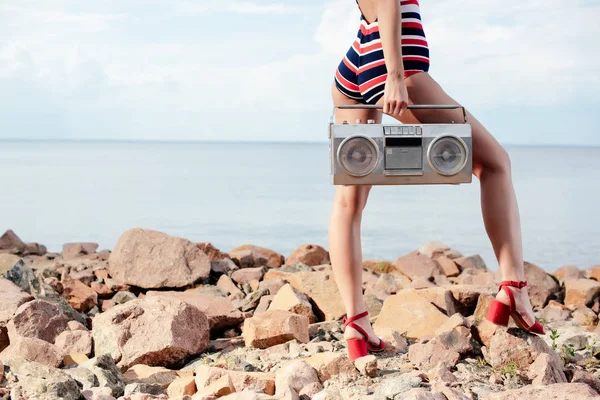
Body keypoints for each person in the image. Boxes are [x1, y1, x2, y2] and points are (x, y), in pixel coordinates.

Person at [329, 0, 544, 361]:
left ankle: (357, 321)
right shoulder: (399, 72)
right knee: (495, 164)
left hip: (355, 66)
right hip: (398, 67)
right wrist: (396, 76)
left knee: (347, 202)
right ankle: (514, 287)